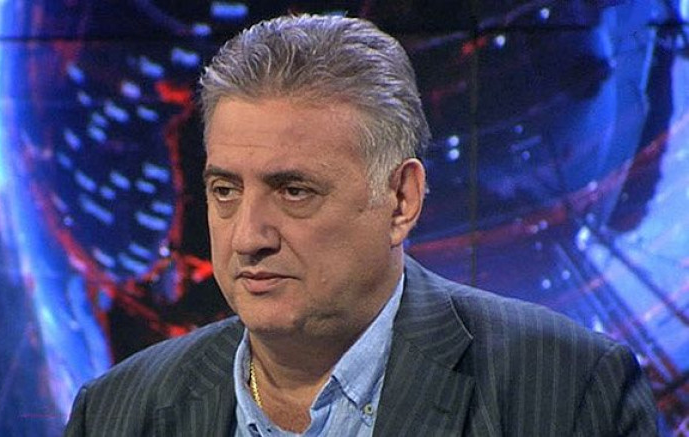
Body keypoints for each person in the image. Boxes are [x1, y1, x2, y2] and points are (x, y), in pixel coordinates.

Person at [65, 14, 657, 436]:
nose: (247, 237)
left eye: (294, 191)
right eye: (226, 191)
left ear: (401, 200)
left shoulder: (569, 394)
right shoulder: (117, 413)